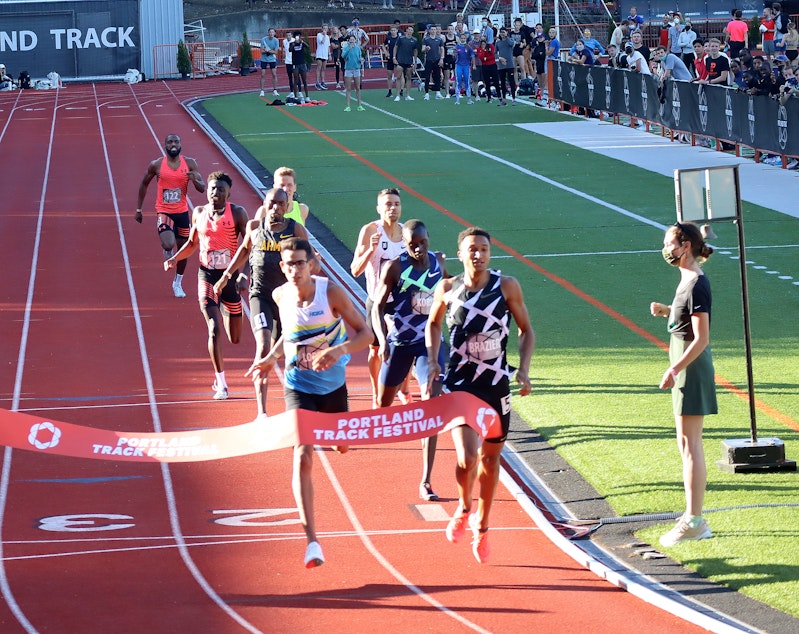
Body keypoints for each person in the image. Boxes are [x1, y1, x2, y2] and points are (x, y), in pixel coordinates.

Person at [245, 237, 371, 568]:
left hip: (332, 387)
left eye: (301, 263)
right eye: (289, 264)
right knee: (302, 454)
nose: (295, 269)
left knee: (341, 445)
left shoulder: (329, 293)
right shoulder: (280, 295)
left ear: (312, 263)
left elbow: (365, 333)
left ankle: (340, 437)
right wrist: (271, 358)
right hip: (297, 385)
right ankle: (312, 542)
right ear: (282, 267)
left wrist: (338, 350)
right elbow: (288, 333)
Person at [426, 227, 534, 564]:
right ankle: (463, 505)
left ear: (490, 253)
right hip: (460, 384)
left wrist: (525, 369)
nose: (479, 254)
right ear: (460, 254)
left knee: (490, 459)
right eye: (472, 249)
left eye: (484, 249)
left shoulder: (506, 286)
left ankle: (483, 526)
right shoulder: (447, 288)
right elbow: (432, 324)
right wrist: (432, 362)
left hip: (496, 385)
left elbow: (526, 330)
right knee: (467, 457)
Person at [649, 222, 716, 547]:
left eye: (669, 244)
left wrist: (674, 369)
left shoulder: (696, 285)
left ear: (685, 245)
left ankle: (694, 520)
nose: (666, 250)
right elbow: (687, 324)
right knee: (685, 445)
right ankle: (692, 516)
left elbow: (701, 338)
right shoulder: (687, 281)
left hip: (690, 369)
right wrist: (668, 313)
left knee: (691, 446)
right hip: (684, 365)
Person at [214, 188, 308, 415]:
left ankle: (296, 410)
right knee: (264, 347)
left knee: (293, 351)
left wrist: (312, 289)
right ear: (265, 204)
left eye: (280, 204)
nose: (276, 208)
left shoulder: (295, 229)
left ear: (287, 207)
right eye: (271, 203)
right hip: (261, 295)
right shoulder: (255, 227)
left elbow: (310, 260)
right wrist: (227, 275)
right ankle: (262, 413)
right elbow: (244, 250)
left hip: (287, 297)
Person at [373, 220, 448, 502]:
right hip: (399, 342)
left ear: (429, 238)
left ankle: (426, 480)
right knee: (383, 404)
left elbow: (448, 293)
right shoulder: (394, 267)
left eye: (422, 241)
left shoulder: (439, 262)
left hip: (429, 343)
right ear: (404, 243)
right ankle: (397, 386)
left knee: (431, 401)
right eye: (411, 242)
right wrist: (381, 340)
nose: (418, 246)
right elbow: (377, 308)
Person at [165, 172, 249, 400]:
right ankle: (221, 382)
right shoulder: (199, 214)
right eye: (212, 189)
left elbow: (249, 247)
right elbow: (192, 243)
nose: (215, 193)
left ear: (228, 193)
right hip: (207, 277)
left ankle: (225, 307)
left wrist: (244, 275)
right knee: (214, 328)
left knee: (235, 337)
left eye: (221, 189)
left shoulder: (238, 213)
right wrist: (175, 258)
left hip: (230, 278)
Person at [350, 188, 407, 408]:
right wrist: (370, 249)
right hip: (377, 302)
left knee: (404, 344)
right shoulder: (370, 231)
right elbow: (355, 269)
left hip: (402, 301)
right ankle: (376, 393)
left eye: (397, 204)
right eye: (388, 204)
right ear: (379, 208)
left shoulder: (406, 233)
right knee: (375, 349)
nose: (393, 208)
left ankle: (405, 388)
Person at [136, 134, 205, 298]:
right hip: (164, 210)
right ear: (165, 145)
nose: (173, 144)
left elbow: (202, 188)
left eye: (176, 141)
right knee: (168, 244)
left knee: (183, 251)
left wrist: (195, 180)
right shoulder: (157, 164)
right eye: (170, 142)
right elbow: (144, 183)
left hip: (181, 212)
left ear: (181, 144)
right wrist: (138, 209)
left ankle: (177, 283)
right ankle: (167, 250)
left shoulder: (189, 163)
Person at [393, 26, 418, 102]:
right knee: (398, 77)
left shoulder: (414, 40)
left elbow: (415, 51)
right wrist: (394, 57)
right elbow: (395, 47)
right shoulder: (401, 38)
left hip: (409, 61)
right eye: (409, 30)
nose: (410, 31)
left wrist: (415, 61)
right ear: (406, 30)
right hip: (400, 60)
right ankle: (397, 95)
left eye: (411, 30)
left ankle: (408, 95)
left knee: (409, 77)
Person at [341, 33, 365, 111]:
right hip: (348, 69)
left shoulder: (358, 48)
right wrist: (349, 49)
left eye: (353, 40)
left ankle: (359, 105)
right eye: (350, 40)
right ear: (348, 41)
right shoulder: (346, 48)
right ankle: (348, 106)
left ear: (355, 40)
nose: (352, 41)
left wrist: (361, 60)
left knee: (357, 87)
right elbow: (343, 56)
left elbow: (359, 57)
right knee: (348, 88)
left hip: (356, 69)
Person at [476, 36, 501, 103]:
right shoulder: (479, 49)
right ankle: (489, 97)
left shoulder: (491, 46)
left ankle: (499, 95)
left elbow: (492, 55)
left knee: (496, 81)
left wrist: (486, 58)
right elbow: (481, 57)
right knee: (487, 82)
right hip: (485, 66)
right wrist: (484, 51)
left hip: (492, 65)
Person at [495, 27, 517, 106]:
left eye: (503, 32)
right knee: (503, 82)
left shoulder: (510, 40)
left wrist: (506, 36)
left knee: (511, 81)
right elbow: (495, 53)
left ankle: (514, 98)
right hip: (501, 65)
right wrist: (499, 58)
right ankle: (504, 99)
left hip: (509, 64)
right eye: (501, 32)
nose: (502, 34)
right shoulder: (498, 42)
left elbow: (511, 44)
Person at [422, 25, 444, 100]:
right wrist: (426, 49)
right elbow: (422, 49)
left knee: (437, 76)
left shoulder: (439, 39)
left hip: (437, 59)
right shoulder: (426, 39)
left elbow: (442, 49)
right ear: (430, 30)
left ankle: (438, 92)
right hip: (429, 60)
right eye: (432, 29)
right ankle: (426, 93)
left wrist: (441, 59)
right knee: (427, 77)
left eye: (435, 29)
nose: (434, 31)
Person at [289, 31, 311, 104]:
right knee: (296, 80)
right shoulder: (292, 43)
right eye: (297, 36)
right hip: (295, 64)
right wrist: (295, 43)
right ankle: (295, 97)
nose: (298, 37)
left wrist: (302, 42)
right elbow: (290, 50)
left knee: (304, 80)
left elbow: (308, 47)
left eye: (299, 36)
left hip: (302, 63)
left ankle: (307, 96)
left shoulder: (302, 43)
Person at [454, 31, 475, 105]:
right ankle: (457, 100)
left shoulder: (468, 47)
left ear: (466, 39)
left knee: (467, 81)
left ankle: (469, 99)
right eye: (461, 38)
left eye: (464, 38)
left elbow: (472, 56)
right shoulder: (457, 47)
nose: (463, 39)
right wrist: (454, 54)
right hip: (459, 66)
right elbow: (454, 56)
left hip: (466, 66)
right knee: (458, 81)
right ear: (459, 39)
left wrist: (474, 65)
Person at [259, 28, 281, 97]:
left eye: (272, 32)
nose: (271, 34)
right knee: (263, 74)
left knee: (274, 74)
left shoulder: (276, 40)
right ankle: (262, 90)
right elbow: (261, 51)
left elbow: (276, 52)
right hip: (264, 59)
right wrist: (268, 51)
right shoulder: (263, 39)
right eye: (270, 32)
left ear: (274, 33)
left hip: (272, 59)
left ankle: (275, 90)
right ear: (268, 33)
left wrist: (268, 50)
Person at [382, 24, 401, 98]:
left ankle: (401, 90)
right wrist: (386, 52)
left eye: (394, 30)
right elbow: (383, 45)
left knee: (400, 75)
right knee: (389, 74)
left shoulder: (400, 38)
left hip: (398, 58)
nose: (393, 32)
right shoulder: (388, 38)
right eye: (392, 30)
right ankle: (390, 91)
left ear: (397, 30)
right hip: (390, 58)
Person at [314, 24, 331, 90]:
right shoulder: (319, 35)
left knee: (323, 69)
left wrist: (329, 54)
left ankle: (323, 81)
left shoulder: (327, 37)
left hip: (325, 54)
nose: (325, 30)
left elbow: (328, 46)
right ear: (322, 29)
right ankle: (317, 82)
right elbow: (322, 42)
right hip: (319, 54)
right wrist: (324, 35)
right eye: (324, 28)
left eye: (326, 29)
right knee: (319, 68)